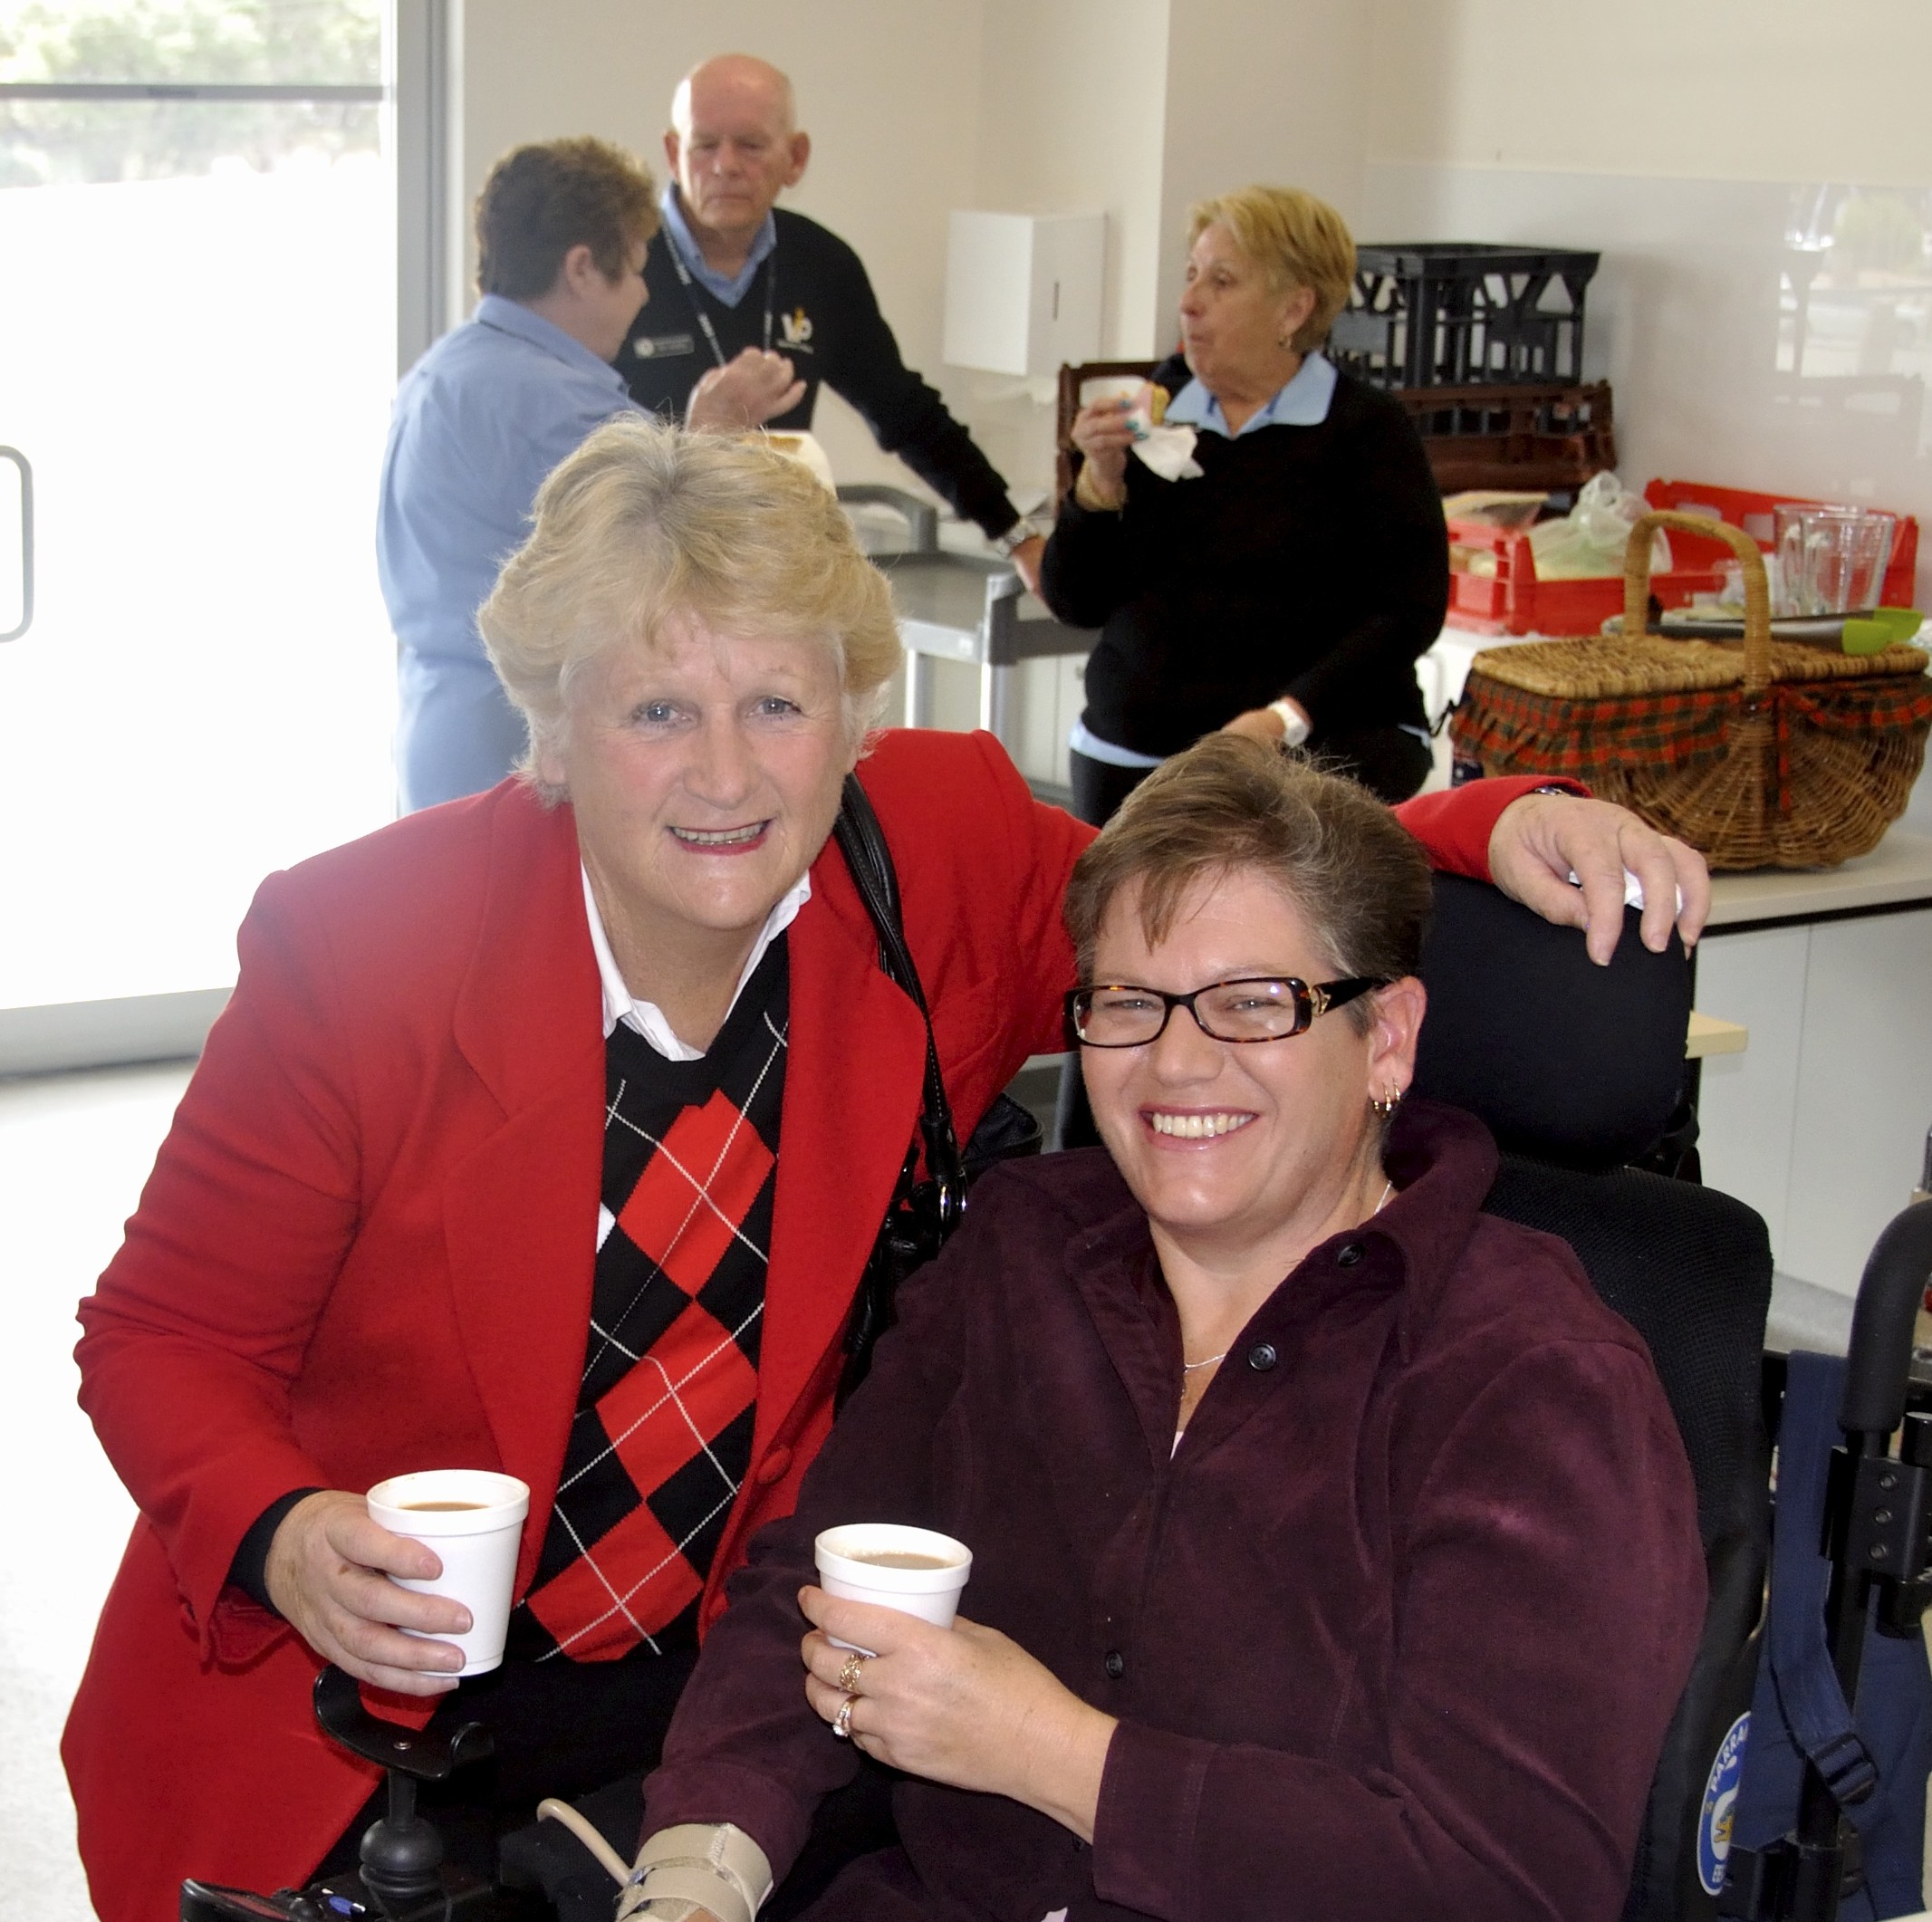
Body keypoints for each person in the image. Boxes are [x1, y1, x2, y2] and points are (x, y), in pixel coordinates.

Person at [65, 416, 1706, 1922]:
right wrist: (285, 1531)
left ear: (853, 716)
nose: (724, 773)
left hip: (715, 1675)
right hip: (364, 1693)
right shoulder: (367, 941)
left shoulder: (926, 860)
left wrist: (1485, 822)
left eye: (777, 701)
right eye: (656, 708)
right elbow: (159, 1334)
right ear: (555, 728)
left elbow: (1211, 920)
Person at [628, 737, 1707, 1922]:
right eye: (1128, 1003)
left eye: (1251, 1003)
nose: (1175, 1062)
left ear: (1387, 1037)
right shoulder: (1020, 1251)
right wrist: (696, 1870)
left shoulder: (1528, 1381)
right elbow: (814, 1580)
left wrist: (1050, 1749)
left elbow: (1504, 1885)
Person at [1040, 185, 1448, 825]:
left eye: (1221, 282)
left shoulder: (1365, 428)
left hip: (1317, 749)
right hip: (1136, 754)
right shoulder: (1152, 413)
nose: (1188, 303)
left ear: (1293, 309)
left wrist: (1283, 718)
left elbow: (1408, 610)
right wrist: (1098, 481)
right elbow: (1075, 601)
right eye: (1190, 276)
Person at [616, 54, 1049, 588]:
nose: (725, 165)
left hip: (767, 577)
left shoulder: (820, 263)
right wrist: (697, 432)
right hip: (642, 576)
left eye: (750, 145)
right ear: (673, 153)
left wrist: (1013, 533)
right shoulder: (620, 263)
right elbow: (571, 449)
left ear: (795, 158)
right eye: (704, 145)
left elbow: (905, 413)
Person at [377, 136, 653, 812]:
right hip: (521, 752)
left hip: (437, 732)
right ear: (583, 268)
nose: (644, 294)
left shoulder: (440, 373)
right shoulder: (564, 409)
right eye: (639, 269)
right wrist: (716, 441)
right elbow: (678, 561)